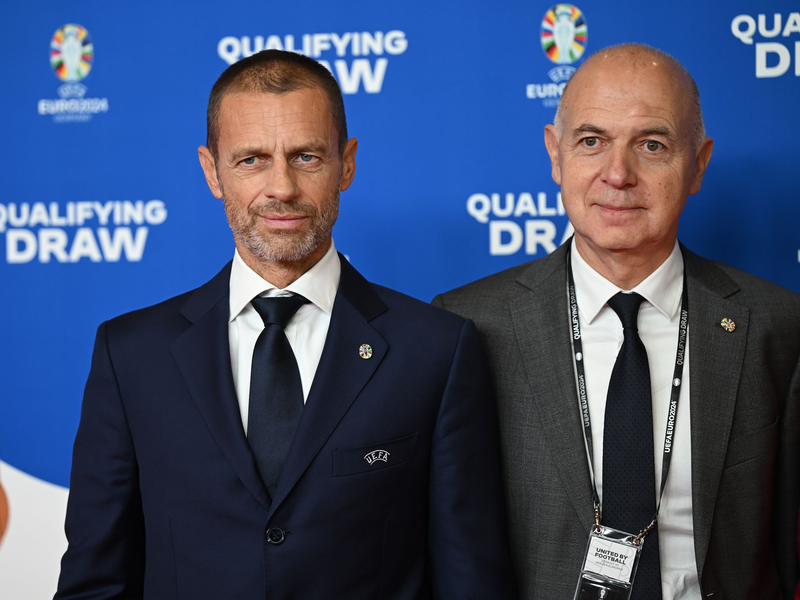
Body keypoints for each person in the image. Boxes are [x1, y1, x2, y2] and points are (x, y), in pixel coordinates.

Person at [56, 50, 516, 599]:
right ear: (212, 171)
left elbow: (472, 583)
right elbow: (96, 581)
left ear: (346, 163)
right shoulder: (131, 356)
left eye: (306, 156)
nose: (281, 187)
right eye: (251, 159)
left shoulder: (435, 351)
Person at [434, 43, 800, 599]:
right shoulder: (469, 325)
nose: (618, 174)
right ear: (556, 156)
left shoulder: (776, 325)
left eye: (651, 145)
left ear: (697, 164)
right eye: (591, 142)